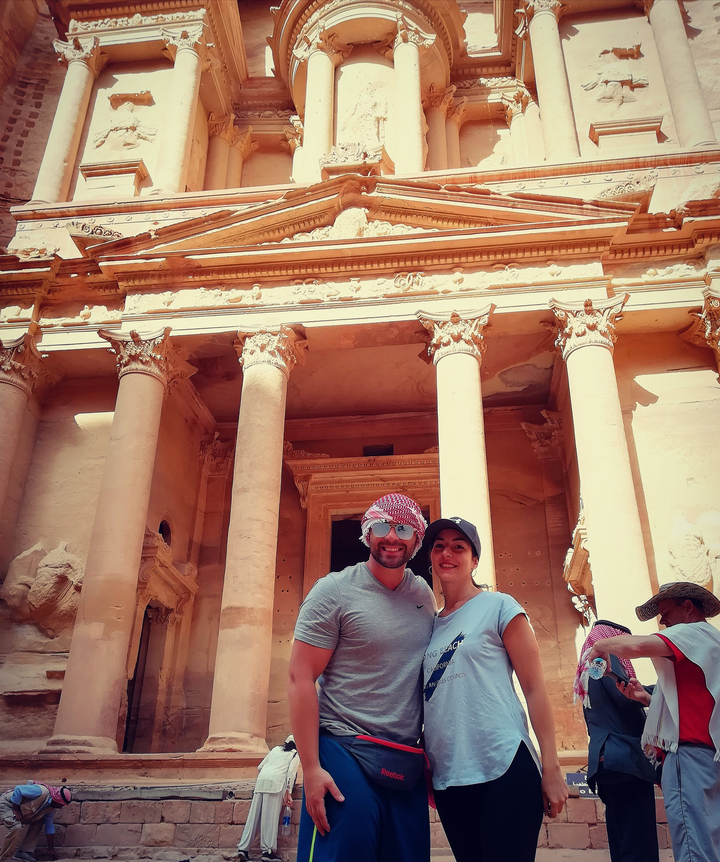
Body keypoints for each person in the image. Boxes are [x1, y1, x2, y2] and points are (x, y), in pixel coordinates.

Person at [288, 493, 435, 862]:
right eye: (382, 527)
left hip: (404, 757)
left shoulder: (423, 595)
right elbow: (300, 677)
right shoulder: (333, 591)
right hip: (344, 747)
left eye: (403, 529)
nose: (392, 537)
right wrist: (311, 768)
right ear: (368, 533)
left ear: (416, 540)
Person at [421, 516, 568, 862]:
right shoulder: (429, 626)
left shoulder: (500, 606)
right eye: (439, 546)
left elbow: (534, 688)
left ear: (474, 560)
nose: (447, 553)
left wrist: (552, 767)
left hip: (504, 766)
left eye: (459, 546)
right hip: (449, 777)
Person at [587, 581, 720, 862]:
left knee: (694, 845)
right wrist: (645, 698)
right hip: (706, 755)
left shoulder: (692, 632)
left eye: (666, 612)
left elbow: (637, 645)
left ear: (687, 608)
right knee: (708, 839)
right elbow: (692, 699)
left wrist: (599, 644)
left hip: (690, 755)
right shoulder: (708, 641)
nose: (662, 621)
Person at [574, 620, 659, 862]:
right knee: (638, 843)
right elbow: (626, 696)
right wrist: (662, 691)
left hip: (605, 762)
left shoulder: (588, 670)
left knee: (621, 840)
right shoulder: (606, 658)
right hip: (626, 761)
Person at [237, 735, 299, 862]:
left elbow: (260, 767)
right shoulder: (295, 754)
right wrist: (288, 793)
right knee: (270, 818)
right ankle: (268, 851)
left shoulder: (275, 749)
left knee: (253, 817)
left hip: (261, 782)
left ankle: (243, 849)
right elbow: (290, 774)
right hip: (275, 784)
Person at [0, 783, 72, 862]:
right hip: (7, 804)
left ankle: (23, 852)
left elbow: (49, 827)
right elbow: (18, 789)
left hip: (21, 811)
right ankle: (5, 858)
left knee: (39, 821)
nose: (61, 807)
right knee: (16, 827)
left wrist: (50, 849)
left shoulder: (49, 808)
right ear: (57, 800)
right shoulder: (41, 791)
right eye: (61, 805)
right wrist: (16, 809)